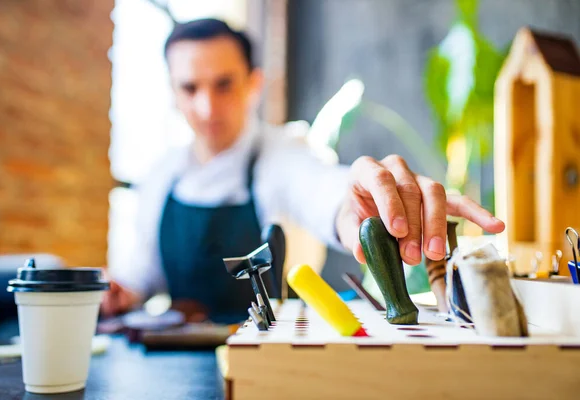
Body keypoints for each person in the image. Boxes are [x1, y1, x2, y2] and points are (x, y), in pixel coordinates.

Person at [102, 18, 504, 323]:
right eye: (190, 88)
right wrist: (120, 292)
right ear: (174, 93)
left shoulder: (282, 156)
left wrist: (354, 207)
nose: (207, 107)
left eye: (223, 84)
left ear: (253, 84)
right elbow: (144, 275)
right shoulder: (160, 176)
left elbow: (323, 190)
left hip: (268, 363)